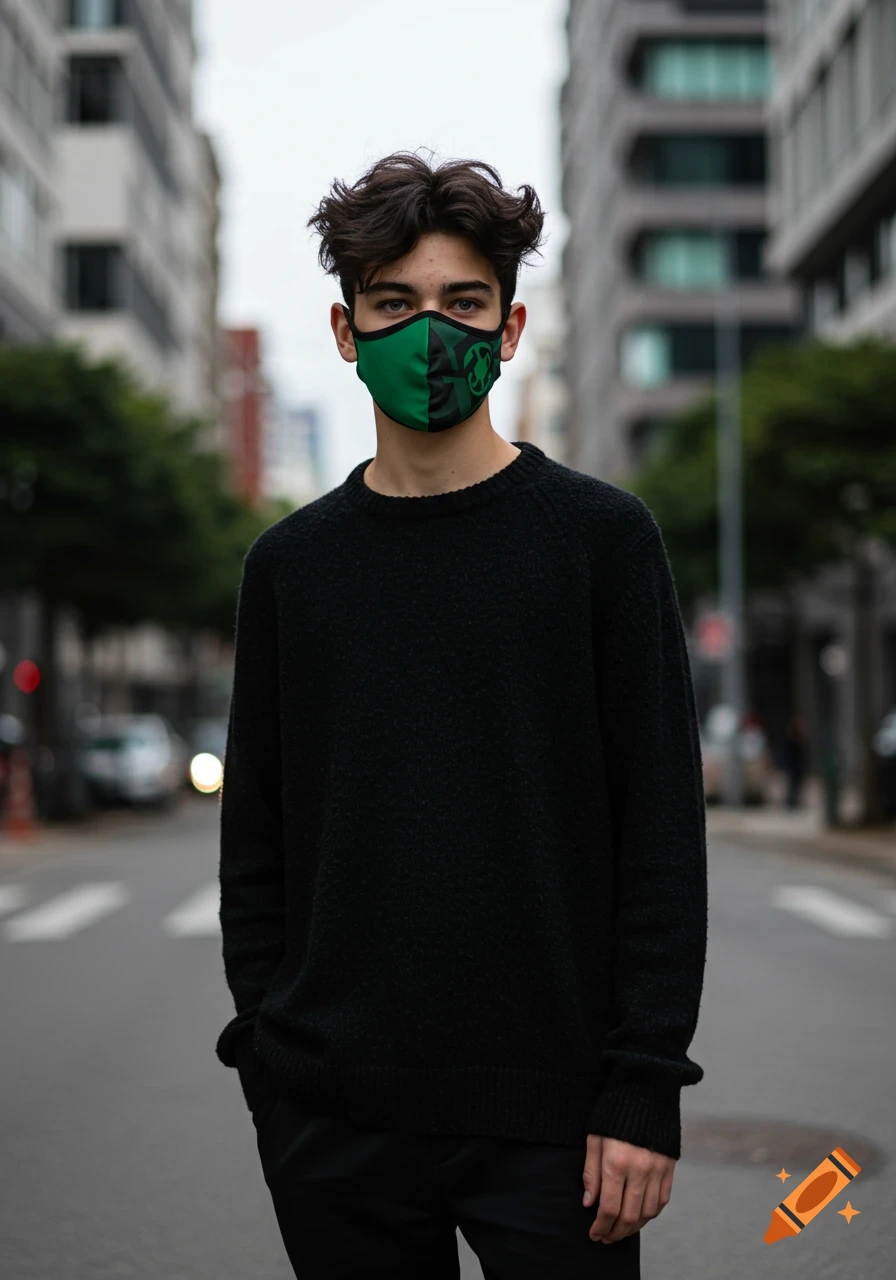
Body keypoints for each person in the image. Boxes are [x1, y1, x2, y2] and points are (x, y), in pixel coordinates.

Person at [216, 151, 708, 1279]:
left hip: (562, 1120)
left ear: (510, 325)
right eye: (392, 303)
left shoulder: (600, 541)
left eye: (461, 303)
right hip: (331, 1119)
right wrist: (268, 1059)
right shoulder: (288, 567)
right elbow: (258, 838)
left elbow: (659, 838)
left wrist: (644, 1085)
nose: (427, 332)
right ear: (345, 331)